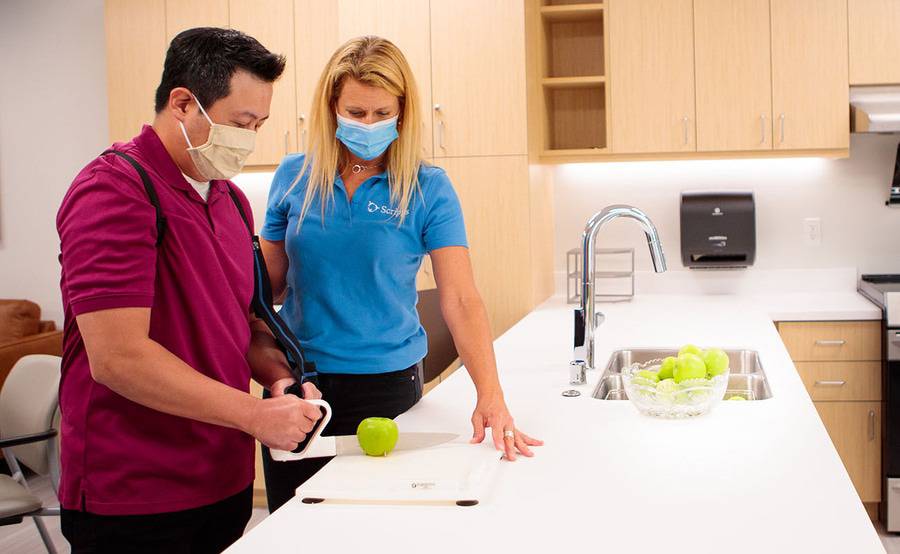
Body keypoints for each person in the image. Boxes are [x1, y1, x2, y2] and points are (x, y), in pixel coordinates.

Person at [56, 27, 322, 553]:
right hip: (133, 495)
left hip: (222, 478)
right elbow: (118, 358)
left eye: (259, 125)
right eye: (240, 124)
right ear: (183, 103)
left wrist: (279, 383)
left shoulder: (229, 200)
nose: (249, 139)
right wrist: (253, 416)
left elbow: (242, 322)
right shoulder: (113, 191)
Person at [259, 35, 542, 512]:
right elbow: (266, 289)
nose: (367, 124)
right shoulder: (294, 176)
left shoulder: (427, 186)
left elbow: (461, 298)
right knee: (295, 520)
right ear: (330, 109)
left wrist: (490, 394)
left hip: (386, 385)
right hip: (300, 382)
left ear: (402, 113)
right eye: (355, 113)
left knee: (380, 522)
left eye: (381, 114)